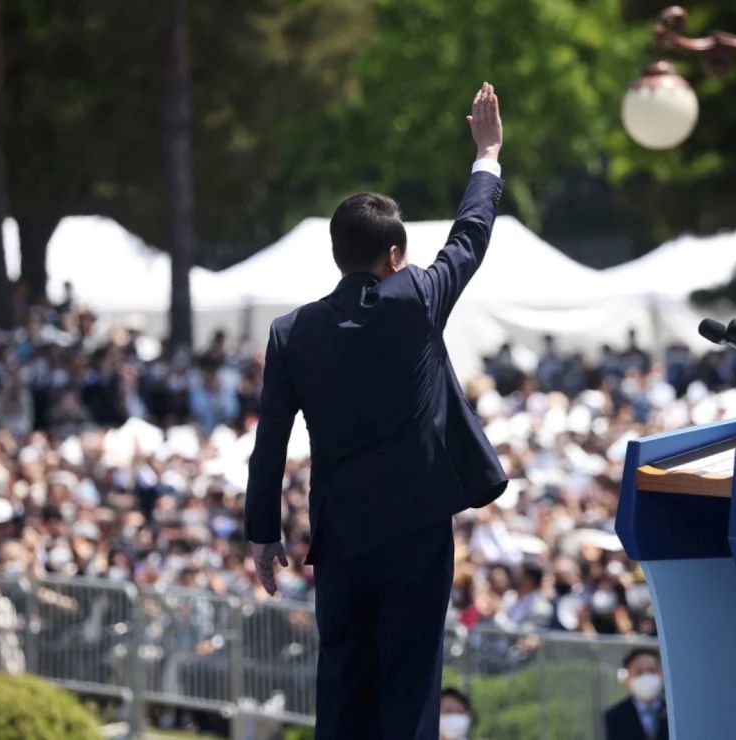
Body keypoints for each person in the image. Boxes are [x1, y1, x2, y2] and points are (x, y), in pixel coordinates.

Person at [244, 82, 508, 739]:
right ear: (395, 258)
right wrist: (488, 155)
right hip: (416, 531)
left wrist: (262, 534)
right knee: (410, 681)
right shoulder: (414, 297)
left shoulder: (290, 333)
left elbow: (269, 442)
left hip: (341, 538)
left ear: (338, 256)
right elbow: (469, 237)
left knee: (343, 682)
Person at [604, 647, 668, 740]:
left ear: (661, 673)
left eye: (652, 671)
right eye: (639, 672)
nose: (646, 677)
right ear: (627, 677)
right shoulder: (613, 716)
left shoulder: (672, 712)